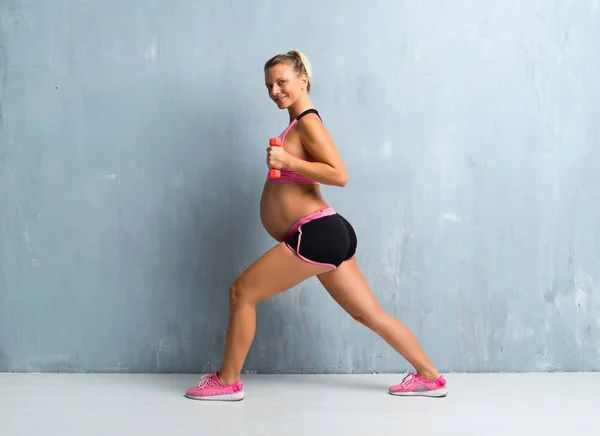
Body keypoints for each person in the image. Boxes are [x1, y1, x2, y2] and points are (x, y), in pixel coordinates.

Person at [185, 50, 448, 401]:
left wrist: (286, 160)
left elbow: (339, 174)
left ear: (303, 80)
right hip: (326, 232)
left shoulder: (308, 121)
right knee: (369, 314)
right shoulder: (296, 124)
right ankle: (430, 377)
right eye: (269, 85)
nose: (275, 91)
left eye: (282, 82)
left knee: (241, 293)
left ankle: (227, 382)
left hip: (316, 233)